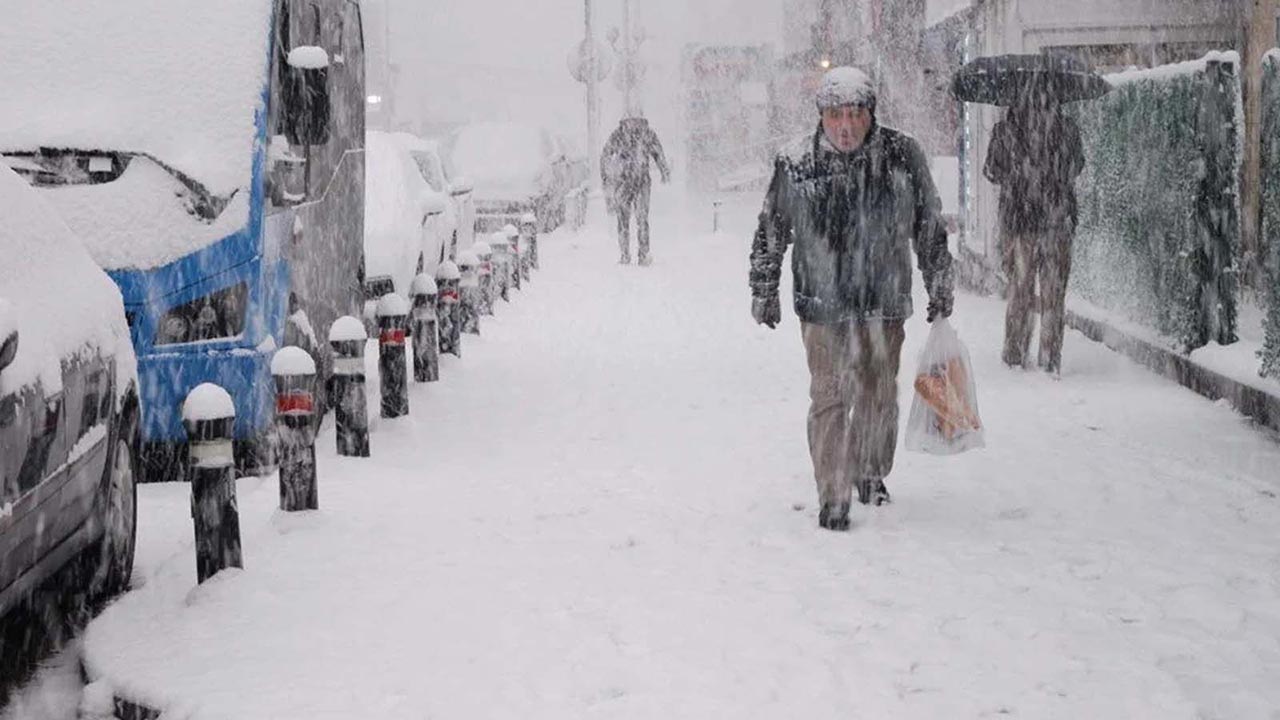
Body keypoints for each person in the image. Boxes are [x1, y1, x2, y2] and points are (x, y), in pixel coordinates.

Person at [749, 67, 955, 532]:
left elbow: (928, 223)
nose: (846, 126)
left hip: (883, 299)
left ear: (871, 115)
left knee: (878, 394)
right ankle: (834, 493)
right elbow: (771, 229)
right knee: (829, 396)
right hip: (821, 303)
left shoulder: (902, 155)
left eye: (855, 115)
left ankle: (869, 471)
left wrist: (939, 280)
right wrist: (764, 287)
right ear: (821, 116)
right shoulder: (796, 162)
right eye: (836, 115)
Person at [983, 92, 1085, 374]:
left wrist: (1017, 176)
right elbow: (1077, 166)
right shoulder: (1067, 129)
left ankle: (1015, 354)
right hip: (1057, 222)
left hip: (1019, 223)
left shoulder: (1005, 130)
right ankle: (1050, 359)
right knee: (1054, 296)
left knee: (1020, 292)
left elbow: (991, 171)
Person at [601, 115, 670, 266]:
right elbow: (658, 153)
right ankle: (640, 255)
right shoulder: (645, 133)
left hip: (626, 182)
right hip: (637, 181)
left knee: (627, 219)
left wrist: (607, 177)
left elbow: (606, 155)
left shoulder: (620, 134)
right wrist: (664, 170)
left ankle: (628, 255)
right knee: (638, 219)